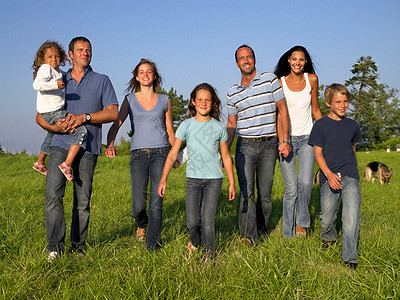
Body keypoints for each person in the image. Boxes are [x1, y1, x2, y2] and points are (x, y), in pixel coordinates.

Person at [36, 36, 118, 261]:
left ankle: (78, 248)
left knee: (82, 202)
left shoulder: (102, 80)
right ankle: (54, 247)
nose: (85, 53)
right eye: (80, 50)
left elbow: (112, 112)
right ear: (70, 55)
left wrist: (85, 117)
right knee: (53, 195)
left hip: (89, 147)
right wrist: (53, 126)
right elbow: (39, 115)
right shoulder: (58, 79)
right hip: (60, 144)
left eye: (89, 50)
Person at [158, 83, 235, 259]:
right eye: (200, 99)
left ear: (213, 103)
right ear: (193, 102)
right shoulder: (186, 126)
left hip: (213, 180)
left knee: (208, 221)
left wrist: (231, 182)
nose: (203, 102)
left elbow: (226, 157)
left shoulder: (219, 128)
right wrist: (164, 179)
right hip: (192, 179)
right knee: (192, 222)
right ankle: (195, 241)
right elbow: (172, 155)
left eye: (207, 100)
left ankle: (208, 258)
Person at [105, 59, 175, 250]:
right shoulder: (129, 100)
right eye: (141, 72)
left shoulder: (165, 100)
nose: (145, 74)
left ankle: (152, 244)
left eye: (149, 71)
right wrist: (110, 143)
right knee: (138, 204)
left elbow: (169, 130)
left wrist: (175, 152)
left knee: (156, 201)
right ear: (136, 77)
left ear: (154, 76)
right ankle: (141, 224)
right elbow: (117, 123)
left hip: (161, 152)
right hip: (138, 156)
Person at [226, 45, 291, 245]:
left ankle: (262, 231)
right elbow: (231, 124)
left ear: (254, 59)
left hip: (269, 144)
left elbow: (282, 110)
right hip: (245, 145)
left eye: (249, 57)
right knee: (247, 193)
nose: (246, 61)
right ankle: (248, 236)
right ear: (236, 63)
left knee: (265, 194)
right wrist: (224, 153)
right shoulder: (232, 93)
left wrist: (285, 139)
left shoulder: (270, 79)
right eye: (242, 58)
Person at [308, 84, 361, 270]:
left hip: (350, 175)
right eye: (338, 101)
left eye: (345, 101)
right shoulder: (320, 125)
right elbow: (318, 154)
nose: (342, 105)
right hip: (328, 176)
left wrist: (351, 170)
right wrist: (329, 174)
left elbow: (352, 149)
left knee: (351, 215)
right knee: (327, 216)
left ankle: (350, 257)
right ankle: (329, 238)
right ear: (328, 102)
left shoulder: (353, 125)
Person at [274, 46, 322, 238]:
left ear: (306, 62)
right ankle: (288, 233)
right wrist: (283, 141)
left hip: (309, 138)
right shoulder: (280, 83)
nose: (297, 63)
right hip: (287, 140)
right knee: (291, 188)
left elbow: (316, 110)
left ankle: (301, 223)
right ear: (288, 60)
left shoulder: (312, 79)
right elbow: (278, 116)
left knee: (305, 183)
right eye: (294, 59)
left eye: (301, 60)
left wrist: (330, 130)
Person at [32, 40, 87, 182]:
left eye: (56, 56)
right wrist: (55, 84)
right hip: (53, 111)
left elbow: (66, 75)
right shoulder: (46, 69)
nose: (53, 59)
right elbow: (37, 85)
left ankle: (40, 162)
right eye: (49, 57)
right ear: (43, 59)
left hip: (50, 111)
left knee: (51, 134)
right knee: (80, 130)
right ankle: (67, 164)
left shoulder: (57, 71)